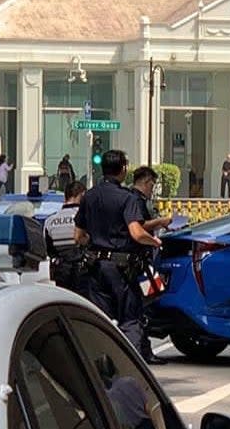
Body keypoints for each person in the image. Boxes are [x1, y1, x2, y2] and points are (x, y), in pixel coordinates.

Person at [74, 150, 161, 351]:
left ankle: (100, 362)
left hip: (95, 266)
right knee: (130, 319)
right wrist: (154, 241)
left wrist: (95, 242)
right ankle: (130, 364)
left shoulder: (90, 196)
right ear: (122, 169)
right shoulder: (127, 198)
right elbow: (137, 233)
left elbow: (78, 236)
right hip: (122, 269)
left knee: (101, 320)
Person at [130, 166, 171, 365]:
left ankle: (145, 349)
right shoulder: (135, 200)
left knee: (150, 298)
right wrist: (160, 222)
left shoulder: (137, 199)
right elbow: (139, 226)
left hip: (145, 260)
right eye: (152, 185)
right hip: (141, 261)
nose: (152, 189)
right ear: (145, 181)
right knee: (144, 304)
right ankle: (143, 351)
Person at [43, 181, 88, 296]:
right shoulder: (86, 216)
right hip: (84, 271)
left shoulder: (50, 221)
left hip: (61, 271)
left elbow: (49, 250)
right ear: (82, 195)